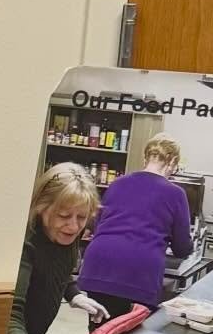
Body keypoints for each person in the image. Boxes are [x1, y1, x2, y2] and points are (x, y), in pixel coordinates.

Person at [0, 163, 104, 334]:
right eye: (64, 215)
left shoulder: (66, 232)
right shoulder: (25, 244)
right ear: (41, 207)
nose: (74, 226)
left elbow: (57, 267)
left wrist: (74, 294)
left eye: (82, 217)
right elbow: (9, 313)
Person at [75, 133, 193, 318]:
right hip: (138, 273)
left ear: (145, 157)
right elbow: (182, 248)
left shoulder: (117, 183)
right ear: (172, 161)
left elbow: (99, 226)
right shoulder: (176, 194)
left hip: (99, 265)